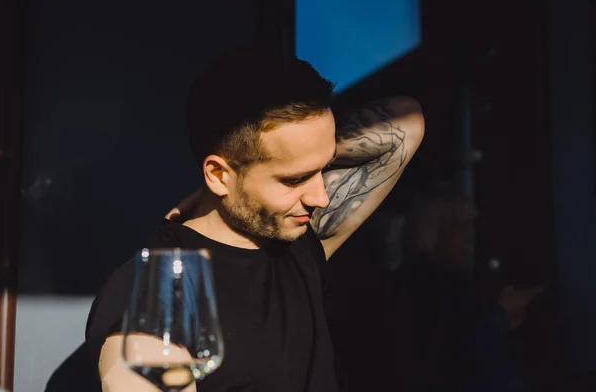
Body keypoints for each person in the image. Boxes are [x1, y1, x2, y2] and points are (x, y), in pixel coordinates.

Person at [85, 45, 425, 392]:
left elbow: (407, 121)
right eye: (294, 179)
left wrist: (304, 149)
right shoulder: (153, 290)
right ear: (218, 174)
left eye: (323, 169)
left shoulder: (298, 244)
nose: (321, 197)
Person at [399, 184, 545, 391]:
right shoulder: (424, 285)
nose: (469, 237)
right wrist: (500, 316)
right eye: (461, 227)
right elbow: (453, 357)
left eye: (470, 226)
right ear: (436, 229)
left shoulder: (452, 279)